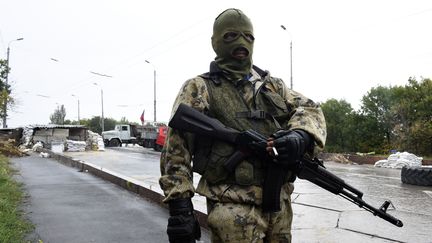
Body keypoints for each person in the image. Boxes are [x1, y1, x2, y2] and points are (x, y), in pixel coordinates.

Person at [159, 8, 326, 243]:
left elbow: (310, 109)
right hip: (232, 209)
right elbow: (176, 153)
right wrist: (180, 208)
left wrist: (301, 136)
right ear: (215, 42)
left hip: (279, 208)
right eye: (231, 36)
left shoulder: (273, 86)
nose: (241, 43)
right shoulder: (199, 88)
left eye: (248, 37)